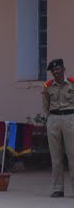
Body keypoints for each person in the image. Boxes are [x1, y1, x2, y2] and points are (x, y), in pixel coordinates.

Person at [42, 58, 74, 197]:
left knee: (73, 155)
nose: (56, 72)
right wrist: (49, 119)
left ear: (63, 69)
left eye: (58, 69)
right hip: (54, 119)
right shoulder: (48, 86)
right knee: (56, 156)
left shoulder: (72, 83)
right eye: (53, 70)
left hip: (70, 118)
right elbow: (45, 105)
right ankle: (57, 188)